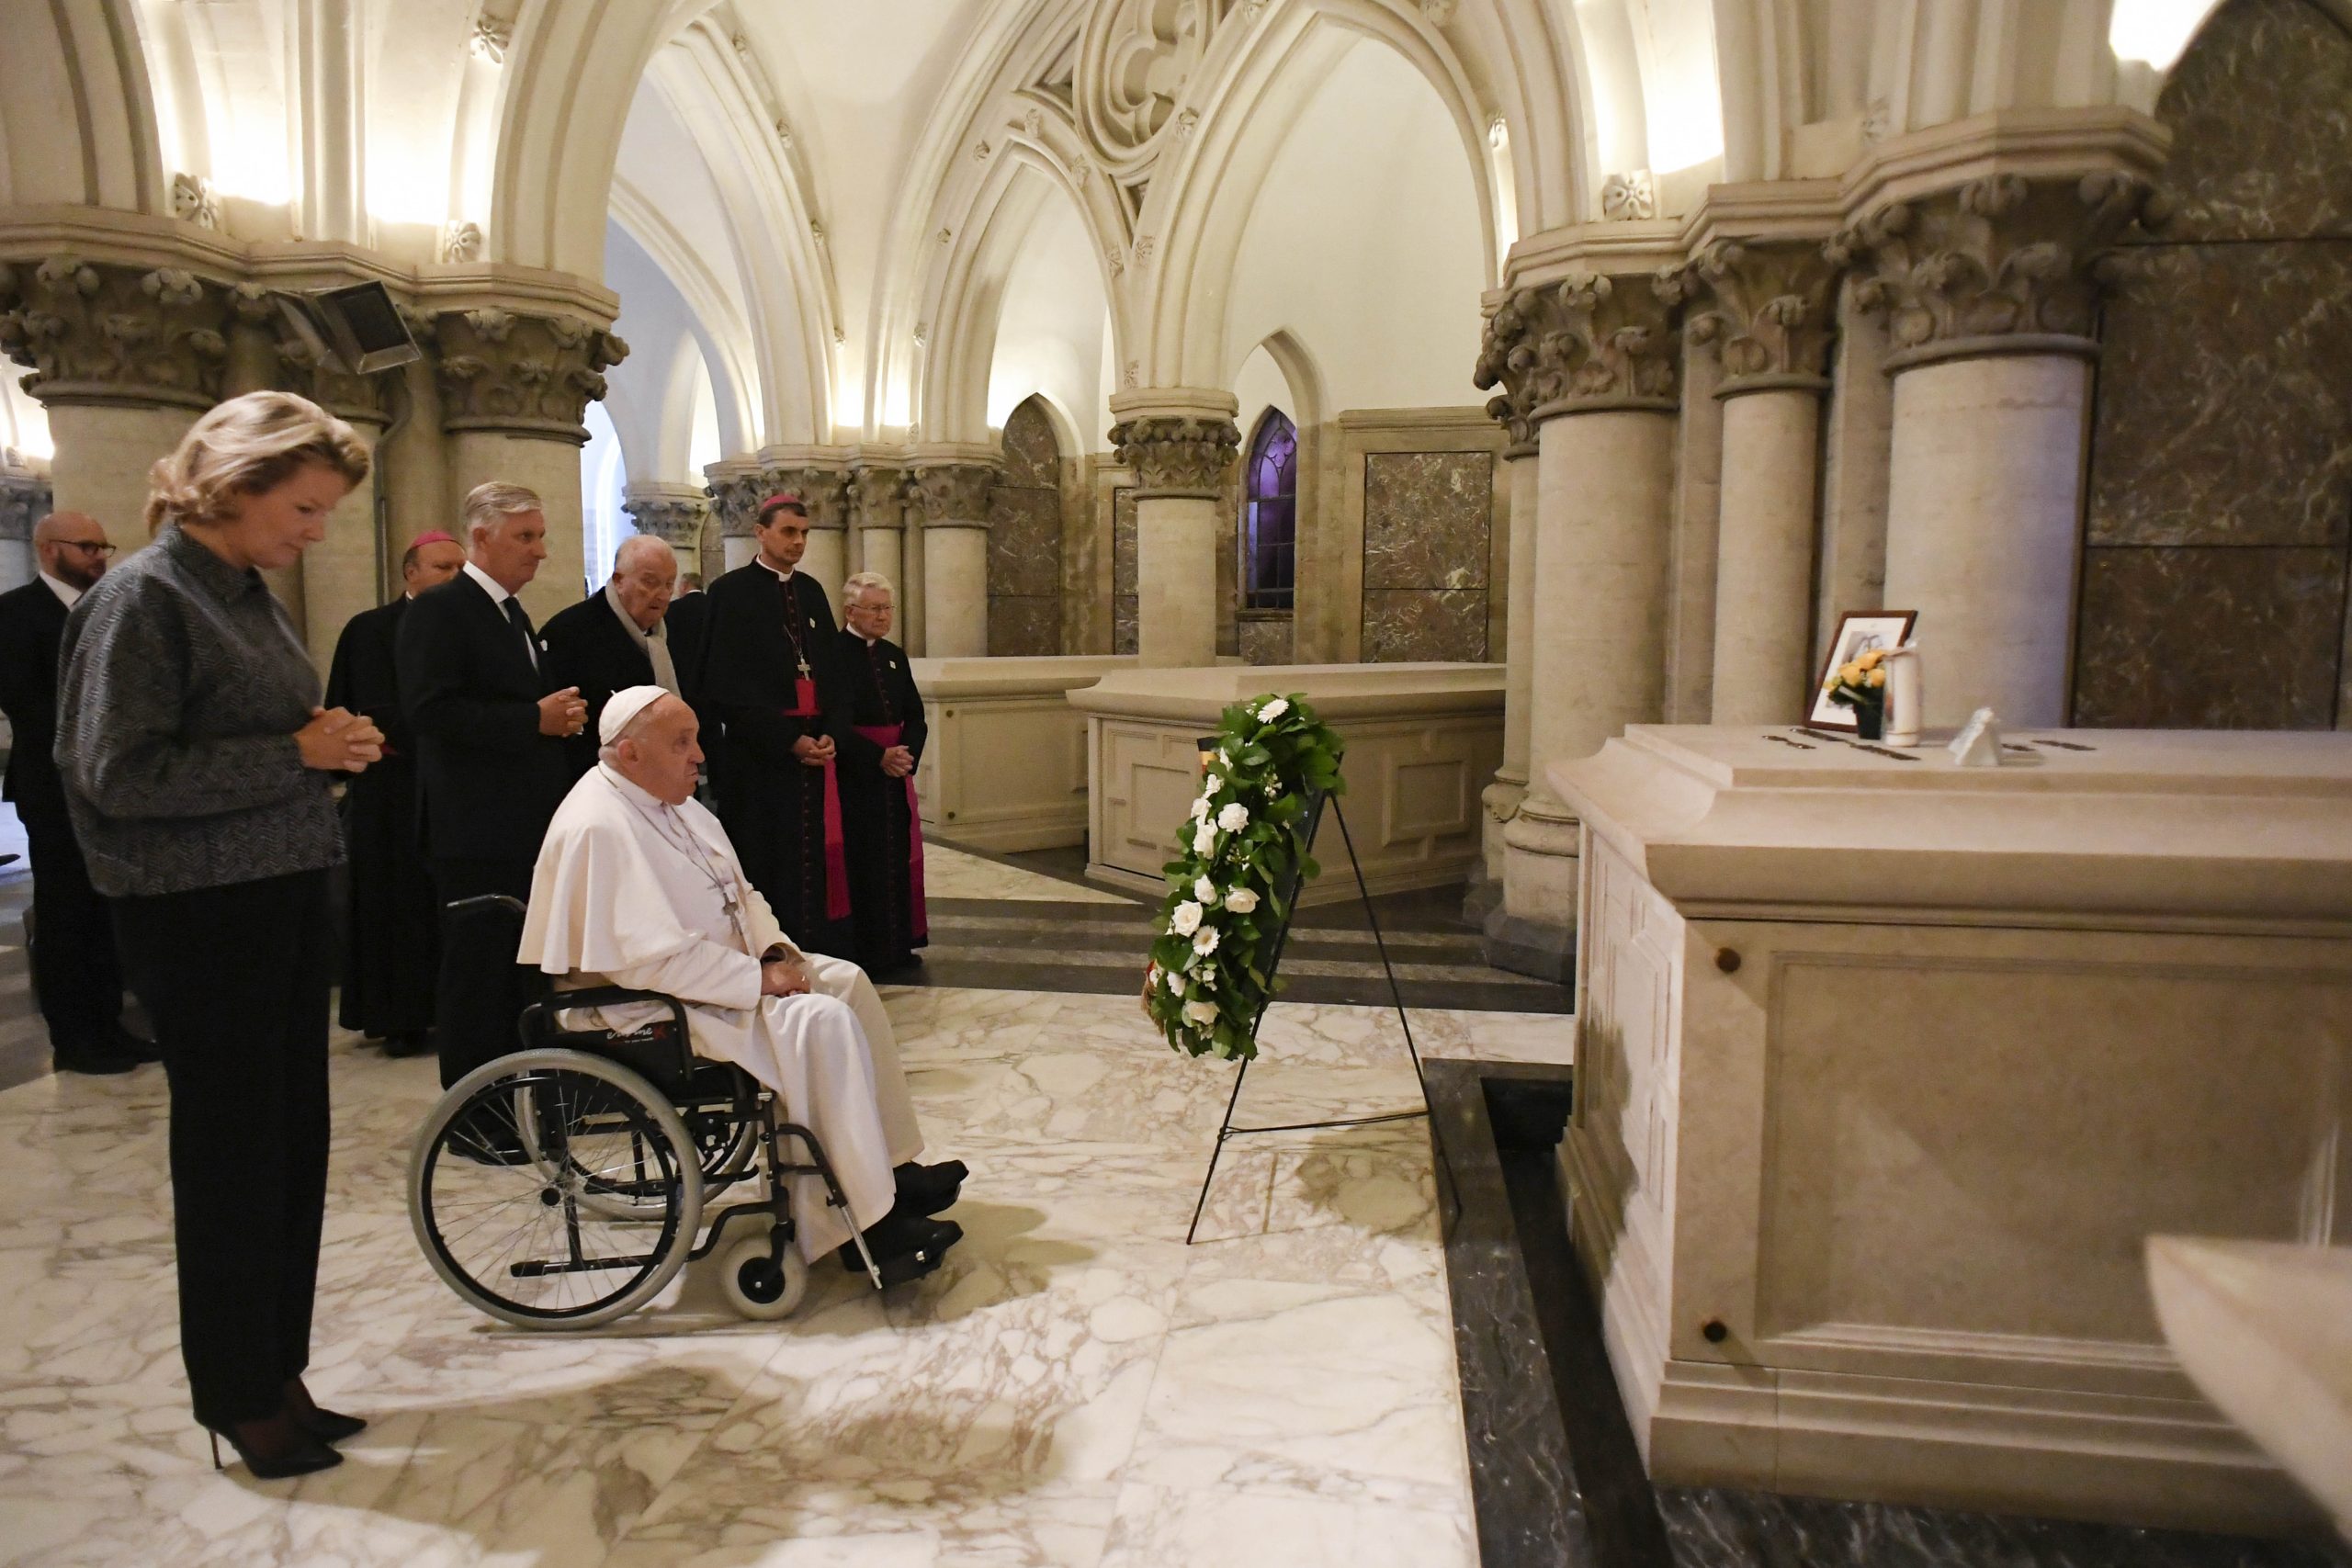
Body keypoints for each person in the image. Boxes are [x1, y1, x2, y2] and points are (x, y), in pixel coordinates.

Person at [54, 390, 384, 1479]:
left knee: (291, 1147)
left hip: (275, 895)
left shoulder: (239, 591)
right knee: (235, 1157)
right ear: (232, 489)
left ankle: (275, 1368)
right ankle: (237, 1393)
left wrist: (324, 746)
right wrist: (298, 755)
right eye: (302, 508)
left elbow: (268, 734)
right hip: (200, 917)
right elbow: (113, 776)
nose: (315, 533)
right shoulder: (143, 598)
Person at [520, 687, 965, 1280]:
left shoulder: (674, 802)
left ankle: (890, 1169)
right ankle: (867, 1226)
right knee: (819, 1019)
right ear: (629, 752)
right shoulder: (599, 824)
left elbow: (742, 894)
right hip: (645, 1005)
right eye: (682, 743)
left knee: (846, 981)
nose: (699, 755)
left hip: (710, 978)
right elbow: (642, 963)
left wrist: (777, 952)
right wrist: (757, 979)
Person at [396, 482, 586, 1091]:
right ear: (482, 538)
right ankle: (478, 1112)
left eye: (540, 535)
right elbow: (430, 712)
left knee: (516, 973)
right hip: (474, 829)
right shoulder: (441, 609)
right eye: (524, 536)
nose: (540, 551)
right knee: (477, 975)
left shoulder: (510, 612)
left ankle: (521, 1095)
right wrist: (535, 718)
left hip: (520, 824)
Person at [0, 511, 155, 1074]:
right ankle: (75, 1036)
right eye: (86, 546)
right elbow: (28, 701)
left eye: (102, 545)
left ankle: (111, 1025)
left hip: (115, 786)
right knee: (66, 913)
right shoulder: (15, 614)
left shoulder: (111, 609)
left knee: (105, 910)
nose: (98, 556)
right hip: (55, 783)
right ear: (47, 549)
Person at [322, 530, 466, 1057]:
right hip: (391, 792)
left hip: (450, 787)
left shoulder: (465, 628)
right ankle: (398, 1016)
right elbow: (345, 705)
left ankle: (445, 1012)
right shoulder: (368, 631)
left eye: (459, 568)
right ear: (411, 573)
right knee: (394, 905)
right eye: (443, 567)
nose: (454, 577)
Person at [695, 494, 855, 955]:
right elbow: (725, 687)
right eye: (788, 532)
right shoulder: (730, 592)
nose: (799, 542)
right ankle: (771, 954)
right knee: (771, 859)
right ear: (760, 532)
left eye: (804, 533)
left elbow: (833, 676)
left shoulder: (811, 592)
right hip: (762, 762)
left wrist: (832, 733)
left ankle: (820, 950)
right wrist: (789, 741)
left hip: (816, 754)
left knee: (817, 863)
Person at [833, 572, 929, 975]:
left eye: (887, 608)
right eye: (874, 608)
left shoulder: (894, 655)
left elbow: (916, 716)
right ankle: (866, 951)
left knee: (898, 859)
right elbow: (834, 722)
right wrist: (878, 757)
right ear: (850, 610)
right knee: (863, 862)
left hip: (895, 774)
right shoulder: (832, 654)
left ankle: (898, 944)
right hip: (855, 778)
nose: (883, 616)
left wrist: (906, 756)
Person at [539, 535, 679, 775]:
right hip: (599, 779)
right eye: (650, 582)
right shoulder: (571, 632)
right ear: (619, 581)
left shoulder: (675, 631)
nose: (663, 595)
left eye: (669, 584)